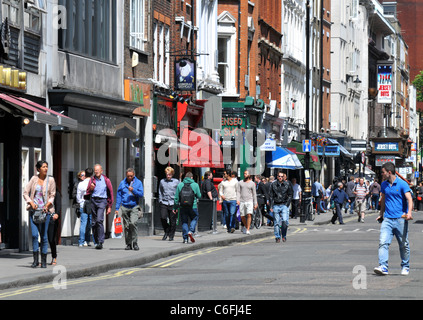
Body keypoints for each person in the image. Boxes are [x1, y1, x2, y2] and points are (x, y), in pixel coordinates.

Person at [374, 162, 413, 276]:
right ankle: (383, 266)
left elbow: (409, 199)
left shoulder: (402, 184)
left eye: (383, 172)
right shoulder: (384, 185)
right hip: (387, 219)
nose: (382, 174)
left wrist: (409, 213)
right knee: (383, 243)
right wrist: (381, 214)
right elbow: (383, 201)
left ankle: (405, 266)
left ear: (389, 172)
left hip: (400, 219)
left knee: (403, 244)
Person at [23, 160, 56, 268]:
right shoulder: (34, 179)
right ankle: (35, 261)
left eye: (47, 166)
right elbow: (25, 192)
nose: (46, 168)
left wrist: (47, 205)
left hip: (45, 212)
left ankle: (43, 261)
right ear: (38, 169)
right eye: (43, 167)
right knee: (34, 235)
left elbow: (52, 194)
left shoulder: (50, 180)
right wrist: (31, 202)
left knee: (44, 237)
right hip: (34, 212)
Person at [85, 164, 114, 250]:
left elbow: (111, 193)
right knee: (94, 223)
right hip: (94, 200)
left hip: (102, 201)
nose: (96, 171)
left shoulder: (106, 180)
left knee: (99, 220)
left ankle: (101, 241)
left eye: (98, 170)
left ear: (101, 171)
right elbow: (87, 192)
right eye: (95, 170)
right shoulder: (92, 180)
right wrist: (91, 188)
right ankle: (96, 241)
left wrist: (110, 206)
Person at [115, 168, 144, 250]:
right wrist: (117, 208)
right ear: (126, 175)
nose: (130, 177)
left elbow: (141, 194)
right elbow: (119, 196)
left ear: (134, 175)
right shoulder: (122, 183)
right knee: (127, 226)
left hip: (134, 206)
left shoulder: (138, 183)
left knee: (133, 223)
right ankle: (128, 244)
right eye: (128, 176)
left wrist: (133, 190)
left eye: (131, 176)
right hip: (124, 206)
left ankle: (135, 243)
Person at [174, 172, 201, 243]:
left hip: (183, 206)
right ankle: (191, 231)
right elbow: (199, 195)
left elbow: (176, 198)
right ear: (192, 177)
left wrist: (175, 207)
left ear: (185, 177)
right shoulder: (195, 185)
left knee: (184, 222)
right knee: (195, 217)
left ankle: (185, 239)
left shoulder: (180, 185)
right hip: (193, 206)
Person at [269, 172, 293, 243]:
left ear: (283, 177)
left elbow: (290, 194)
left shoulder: (287, 184)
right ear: (277, 177)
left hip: (284, 205)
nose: (280, 177)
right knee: (276, 222)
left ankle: (284, 235)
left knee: (285, 221)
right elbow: (271, 196)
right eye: (279, 176)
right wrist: (271, 206)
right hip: (276, 205)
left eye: (281, 176)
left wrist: (287, 204)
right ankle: (277, 237)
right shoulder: (273, 184)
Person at [158, 167, 180, 241]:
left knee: (172, 220)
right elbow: (160, 191)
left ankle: (171, 235)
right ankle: (166, 231)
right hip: (164, 202)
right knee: (163, 217)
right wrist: (160, 200)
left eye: (170, 175)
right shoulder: (162, 181)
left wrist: (178, 203)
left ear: (172, 174)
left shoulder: (176, 182)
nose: (168, 176)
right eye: (167, 174)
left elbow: (179, 192)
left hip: (173, 202)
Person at [237, 171, 258, 235]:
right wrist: (237, 200)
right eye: (244, 173)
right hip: (242, 201)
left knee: (249, 214)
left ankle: (248, 229)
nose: (245, 175)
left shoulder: (252, 183)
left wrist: (255, 203)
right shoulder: (240, 182)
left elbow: (254, 194)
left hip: (249, 201)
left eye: (246, 173)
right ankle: (246, 227)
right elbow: (238, 192)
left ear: (249, 175)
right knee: (242, 216)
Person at [77, 168, 93, 247]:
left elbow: (78, 196)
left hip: (83, 204)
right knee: (89, 223)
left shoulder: (81, 184)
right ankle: (87, 240)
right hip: (91, 204)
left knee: (83, 223)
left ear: (85, 175)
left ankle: (81, 241)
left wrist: (81, 202)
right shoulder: (93, 183)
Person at [48, 188, 61, 265]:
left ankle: (54, 256)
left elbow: (58, 205)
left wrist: (57, 214)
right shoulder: (44, 192)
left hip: (52, 218)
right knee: (44, 239)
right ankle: (42, 259)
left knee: (51, 238)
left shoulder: (56, 193)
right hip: (44, 217)